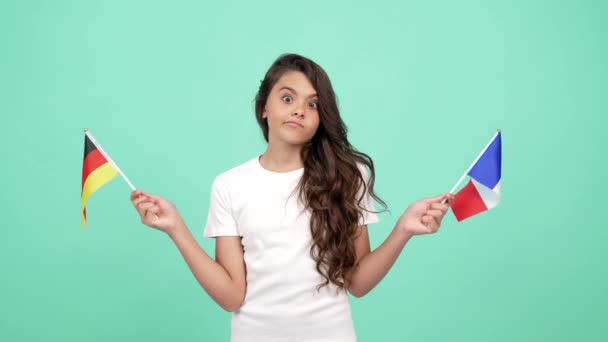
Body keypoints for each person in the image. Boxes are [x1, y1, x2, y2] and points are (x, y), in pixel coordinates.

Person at [131, 53, 454, 342]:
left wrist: (403, 230)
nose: (299, 110)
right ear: (264, 107)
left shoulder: (347, 176)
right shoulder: (230, 185)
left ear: (321, 117)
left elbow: (357, 282)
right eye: (287, 98)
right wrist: (176, 229)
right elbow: (231, 295)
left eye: (313, 104)